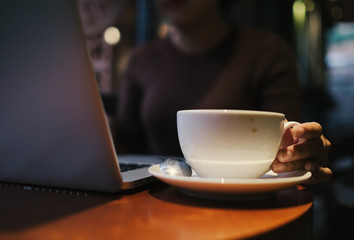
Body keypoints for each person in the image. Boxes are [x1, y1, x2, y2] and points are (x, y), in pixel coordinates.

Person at [115, 0, 332, 183]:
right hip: (158, 197)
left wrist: (302, 155)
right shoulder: (141, 60)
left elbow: (290, 143)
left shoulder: (267, 53)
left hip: (246, 202)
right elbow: (127, 143)